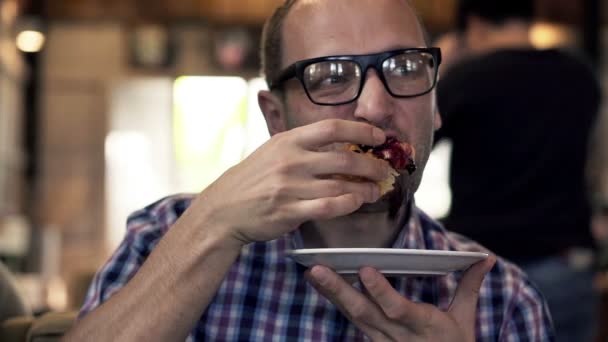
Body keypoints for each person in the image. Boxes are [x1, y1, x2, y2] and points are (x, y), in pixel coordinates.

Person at [65, 0, 554, 340]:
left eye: (404, 67)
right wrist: (212, 224)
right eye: (330, 76)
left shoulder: (501, 300)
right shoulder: (166, 237)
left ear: (435, 107)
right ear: (276, 119)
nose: (374, 106)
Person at [434, 0, 602, 340]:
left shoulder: (466, 79)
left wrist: (441, 71)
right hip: (567, 268)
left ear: (475, 25)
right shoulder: (580, 75)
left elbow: (412, 151)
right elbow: (596, 165)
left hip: (486, 274)